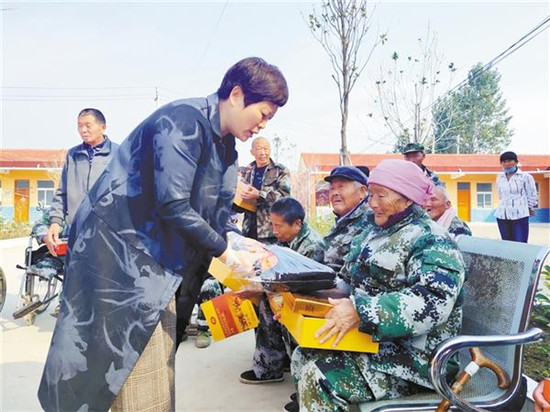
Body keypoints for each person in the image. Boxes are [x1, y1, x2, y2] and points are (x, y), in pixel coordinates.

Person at [38, 57, 289, 412]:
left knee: (151, 357)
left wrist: (238, 241)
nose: (263, 126)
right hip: (119, 258)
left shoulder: (226, 148)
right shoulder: (183, 121)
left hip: (159, 263)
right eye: (263, 114)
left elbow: (214, 214)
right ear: (236, 95)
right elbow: (173, 203)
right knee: (127, 364)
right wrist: (226, 253)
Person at [286, 159, 466, 412]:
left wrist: (360, 311)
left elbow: (431, 303)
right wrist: (298, 295)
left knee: (321, 376)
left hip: (419, 360)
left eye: (381, 195)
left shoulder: (432, 240)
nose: (372, 203)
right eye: (371, 194)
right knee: (304, 354)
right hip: (378, 342)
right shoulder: (375, 233)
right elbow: (347, 284)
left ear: (407, 198)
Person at [39, 108, 118, 316]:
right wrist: (55, 222)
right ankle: (72, 319)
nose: (83, 130)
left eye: (88, 125)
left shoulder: (118, 155)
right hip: (78, 229)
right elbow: (62, 192)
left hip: (107, 231)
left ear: (103, 127)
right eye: (79, 126)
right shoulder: (73, 155)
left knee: (104, 281)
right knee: (76, 279)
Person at [240, 197, 324, 384]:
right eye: (272, 225)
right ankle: (271, 365)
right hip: (289, 293)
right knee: (265, 301)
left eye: (278, 226)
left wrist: (261, 288)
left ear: (297, 224)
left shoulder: (312, 247)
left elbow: (300, 284)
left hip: (309, 301)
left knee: (274, 305)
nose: (274, 231)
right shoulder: (286, 240)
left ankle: (291, 375)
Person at [322, 166, 369, 289]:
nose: (335, 193)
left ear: (362, 192)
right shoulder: (342, 221)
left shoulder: (369, 222)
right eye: (332, 188)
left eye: (341, 187)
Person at [238, 136, 291, 243]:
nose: (263, 153)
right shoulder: (245, 172)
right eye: (258, 149)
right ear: (252, 152)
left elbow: (284, 198)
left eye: (265, 149)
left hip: (271, 231)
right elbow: (238, 202)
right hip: (249, 230)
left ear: (270, 150)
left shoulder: (280, 170)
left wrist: (259, 194)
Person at [495, 151, 538, 243]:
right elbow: (500, 195)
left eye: (509, 161)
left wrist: (528, 208)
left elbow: (532, 195)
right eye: (504, 161)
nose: (506, 164)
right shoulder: (499, 178)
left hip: (519, 216)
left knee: (520, 244)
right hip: (502, 215)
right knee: (507, 244)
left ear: (516, 162)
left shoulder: (525, 177)